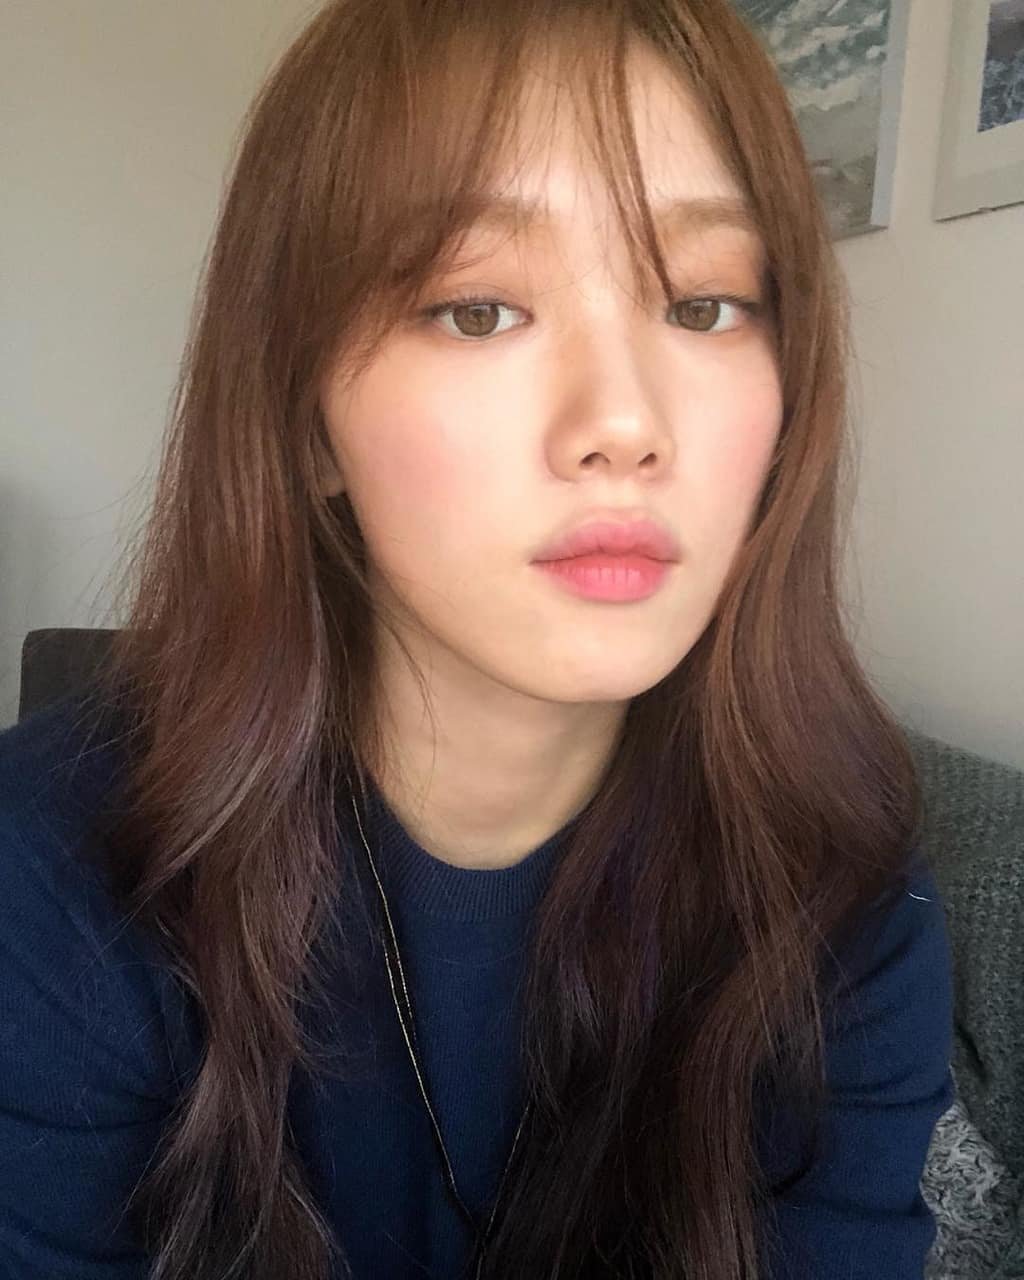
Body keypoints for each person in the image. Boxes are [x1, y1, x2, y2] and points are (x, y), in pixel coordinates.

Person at [0, 0, 956, 1277]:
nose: (624, 423)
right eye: (477, 309)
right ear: (303, 420)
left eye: (705, 303)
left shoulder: (841, 895)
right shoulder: (51, 874)